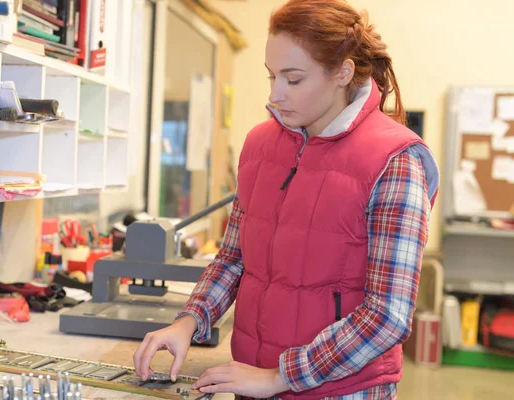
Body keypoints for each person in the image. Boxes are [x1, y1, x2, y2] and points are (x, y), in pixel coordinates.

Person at [133, 0, 440, 398]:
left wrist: (279, 378)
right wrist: (189, 321)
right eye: (271, 76)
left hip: (341, 390)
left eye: (293, 80)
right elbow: (234, 258)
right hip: (251, 379)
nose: (276, 95)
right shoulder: (261, 146)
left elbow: (388, 316)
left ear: (343, 72)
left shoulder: (395, 161)